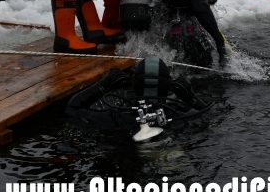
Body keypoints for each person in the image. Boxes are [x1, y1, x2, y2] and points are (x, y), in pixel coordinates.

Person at [66, 56, 211, 140]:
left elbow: (72, 109)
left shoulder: (116, 117)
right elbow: (212, 117)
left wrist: (104, 84)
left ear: (134, 85)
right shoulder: (178, 116)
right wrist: (190, 97)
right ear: (168, 87)